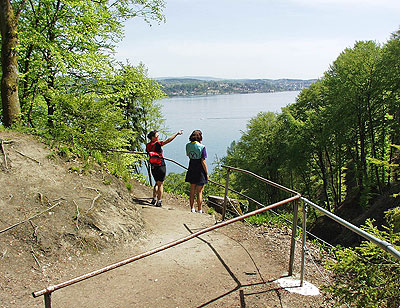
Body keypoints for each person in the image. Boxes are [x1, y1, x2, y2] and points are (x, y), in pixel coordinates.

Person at [146, 129, 183, 207]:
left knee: (156, 182)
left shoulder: (148, 145)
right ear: (153, 137)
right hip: (160, 166)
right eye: (157, 136)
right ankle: (159, 201)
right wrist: (176, 134)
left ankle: (154, 198)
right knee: (161, 184)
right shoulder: (158, 144)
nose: (158, 137)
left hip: (153, 167)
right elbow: (168, 140)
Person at [185, 130, 209, 213]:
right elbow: (203, 161)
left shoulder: (188, 145)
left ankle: (192, 208)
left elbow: (188, 155)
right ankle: (200, 209)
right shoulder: (202, 147)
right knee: (199, 191)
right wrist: (206, 173)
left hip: (191, 167)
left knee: (192, 190)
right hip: (200, 170)